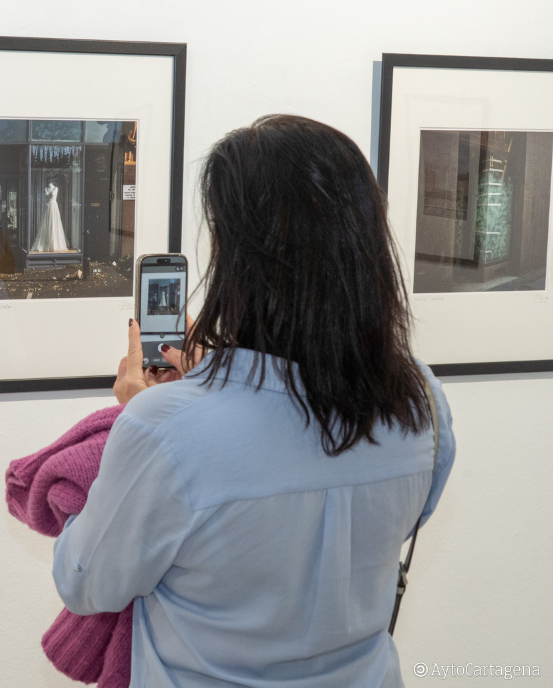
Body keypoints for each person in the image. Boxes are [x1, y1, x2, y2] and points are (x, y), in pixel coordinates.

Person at [53, 115, 455, 687]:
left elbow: (85, 583)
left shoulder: (163, 429)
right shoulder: (421, 401)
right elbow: (398, 520)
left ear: (238, 255)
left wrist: (136, 418)